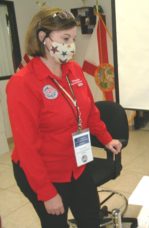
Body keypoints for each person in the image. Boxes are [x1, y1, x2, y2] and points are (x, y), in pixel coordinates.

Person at [6, 7, 122, 228]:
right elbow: (27, 147)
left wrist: (106, 138)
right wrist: (46, 193)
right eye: (65, 38)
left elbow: (89, 112)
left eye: (73, 38)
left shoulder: (74, 70)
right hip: (44, 172)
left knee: (91, 220)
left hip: (77, 164)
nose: (71, 45)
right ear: (43, 38)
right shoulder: (23, 83)